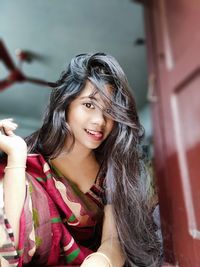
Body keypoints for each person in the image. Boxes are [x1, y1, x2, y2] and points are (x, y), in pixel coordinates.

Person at [0, 53, 162, 267]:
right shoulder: (32, 160)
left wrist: (99, 261)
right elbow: (9, 237)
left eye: (110, 111)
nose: (100, 121)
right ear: (66, 104)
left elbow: (113, 241)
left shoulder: (113, 170)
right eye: (89, 105)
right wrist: (17, 156)